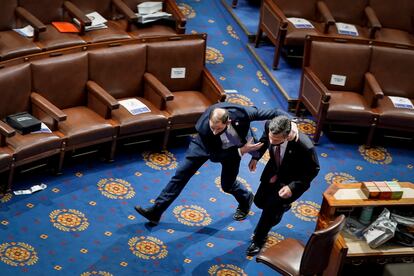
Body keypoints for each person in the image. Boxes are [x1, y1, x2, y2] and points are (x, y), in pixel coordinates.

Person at [134, 102, 296, 225]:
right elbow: (215, 156)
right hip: (205, 147)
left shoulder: (241, 114)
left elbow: (274, 112)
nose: (215, 131)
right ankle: (156, 212)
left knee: (227, 184)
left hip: (233, 147)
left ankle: (246, 198)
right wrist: (242, 151)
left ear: (228, 121)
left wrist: (291, 123)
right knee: (180, 176)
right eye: (213, 127)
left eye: (218, 128)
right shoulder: (205, 129)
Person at [246, 115, 320, 256]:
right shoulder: (270, 125)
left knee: (269, 210)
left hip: (290, 181)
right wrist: (256, 156)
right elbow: (264, 140)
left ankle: (258, 239)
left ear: (287, 137)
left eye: (277, 140)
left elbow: (313, 170)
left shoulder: (305, 145)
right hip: (273, 172)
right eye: (271, 138)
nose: (272, 142)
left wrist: (292, 187)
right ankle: (282, 208)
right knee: (259, 202)